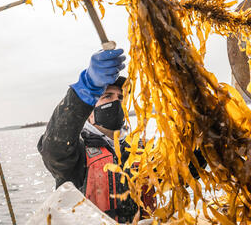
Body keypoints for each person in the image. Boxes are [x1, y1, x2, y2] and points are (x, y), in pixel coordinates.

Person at [38, 48, 206, 223]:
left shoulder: (140, 151)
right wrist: (87, 88)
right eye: (107, 96)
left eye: (121, 97)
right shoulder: (75, 153)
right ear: (89, 112)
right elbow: (54, 148)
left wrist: (203, 138)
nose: (115, 101)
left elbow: (182, 175)